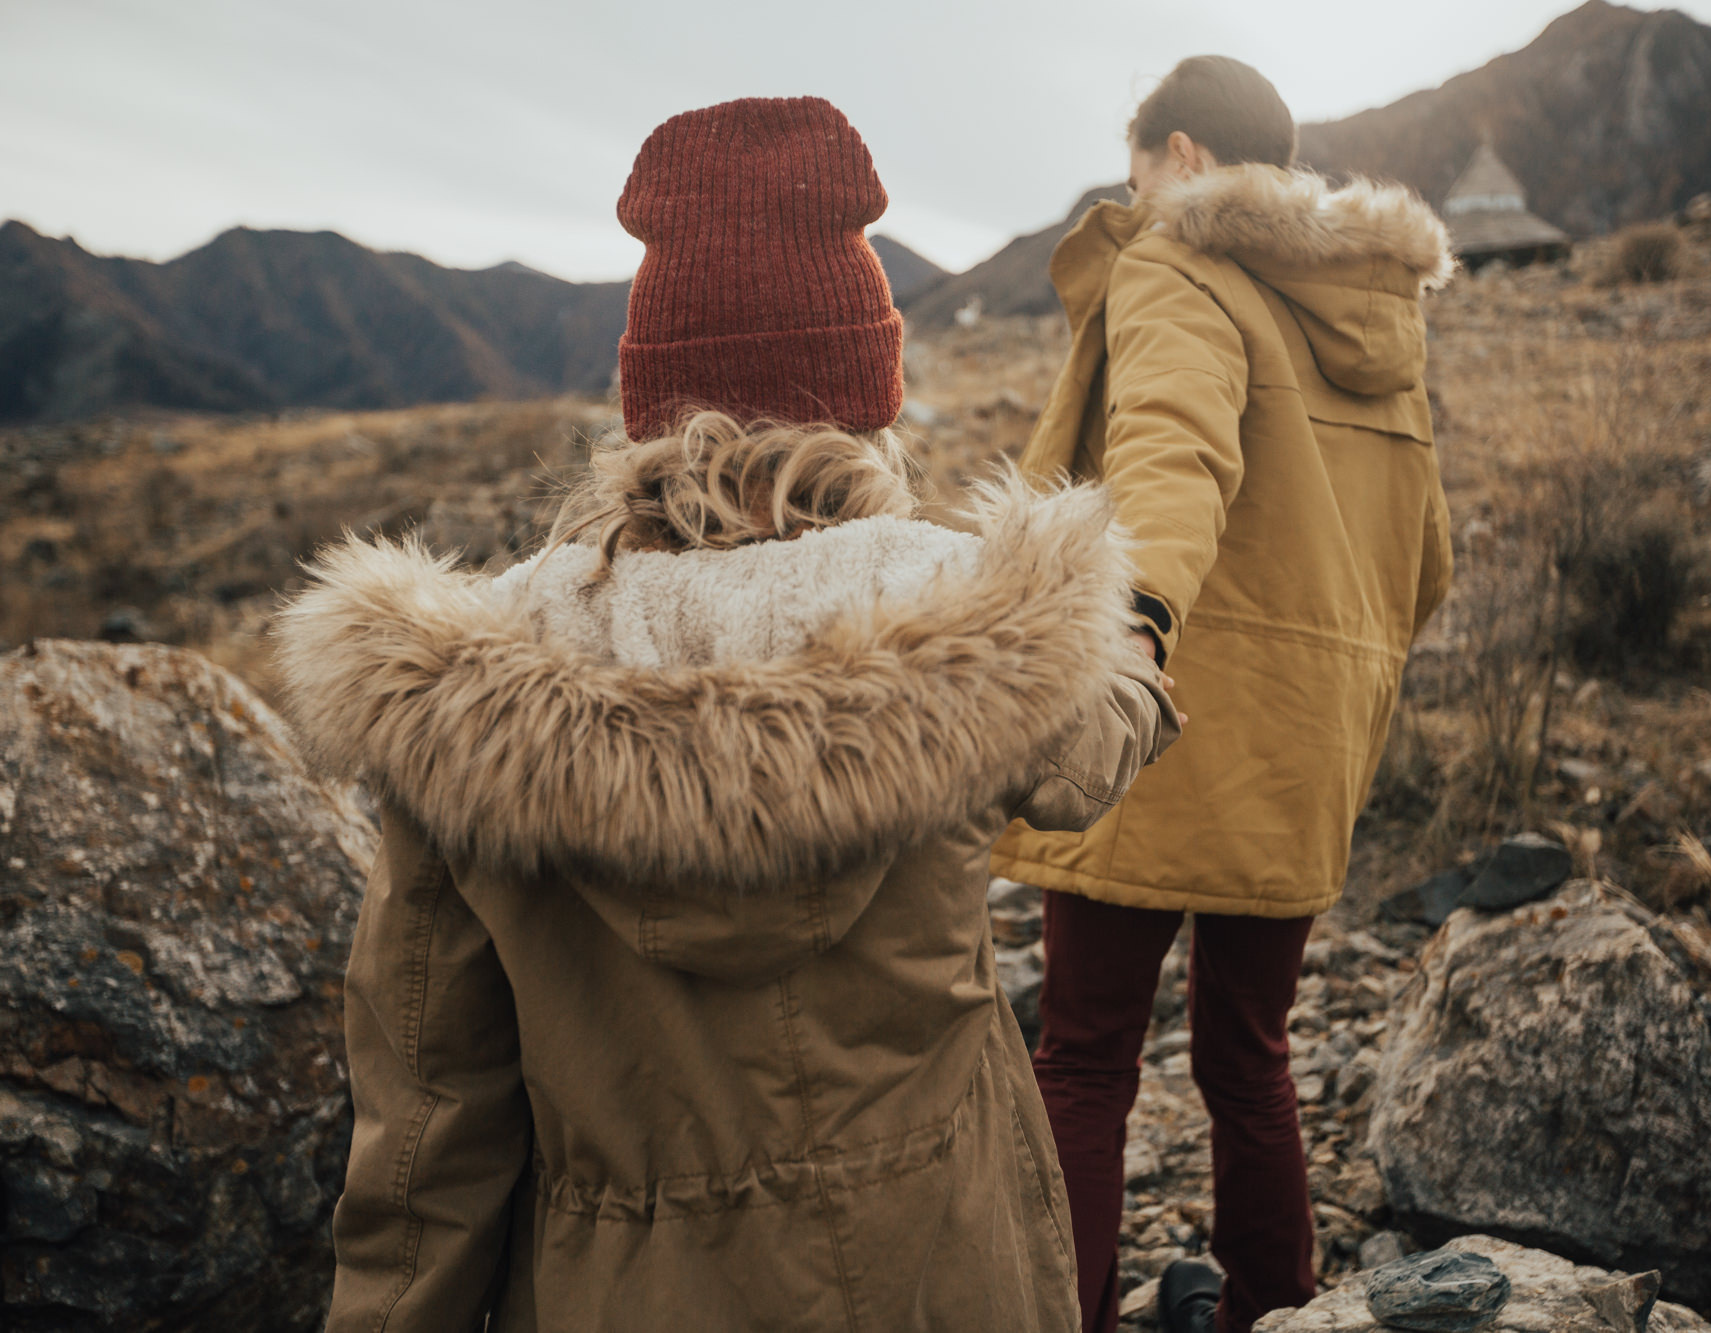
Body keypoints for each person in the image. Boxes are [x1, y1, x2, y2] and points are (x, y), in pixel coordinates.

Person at [275, 96, 1179, 1332]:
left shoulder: (468, 685)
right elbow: (1094, 746)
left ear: (645, 405)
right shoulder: (964, 612)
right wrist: (1133, 641)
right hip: (942, 1274)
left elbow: (431, 1125)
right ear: (866, 397)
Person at [989, 56, 1456, 1333]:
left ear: (1180, 156)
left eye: (1136, 164)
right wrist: (1333, 688)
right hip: (1305, 747)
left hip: (1156, 720)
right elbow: (1425, 562)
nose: (1129, 189)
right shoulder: (1374, 313)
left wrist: (1129, 630)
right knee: (1250, 1061)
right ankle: (1276, 1311)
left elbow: (1170, 456)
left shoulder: (1173, 263)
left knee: (1082, 1059)